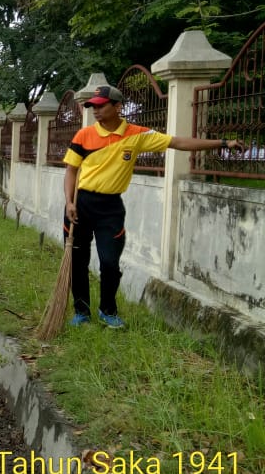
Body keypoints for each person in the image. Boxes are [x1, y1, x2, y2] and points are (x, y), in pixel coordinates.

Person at [63, 84, 245, 329]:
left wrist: (223, 143)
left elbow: (178, 142)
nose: (95, 110)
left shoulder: (137, 134)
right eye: (92, 106)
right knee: (77, 259)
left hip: (110, 207)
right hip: (81, 204)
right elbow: (71, 171)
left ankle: (108, 310)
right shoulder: (84, 136)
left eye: (100, 105)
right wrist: (69, 202)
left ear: (118, 107)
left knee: (109, 262)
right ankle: (81, 312)